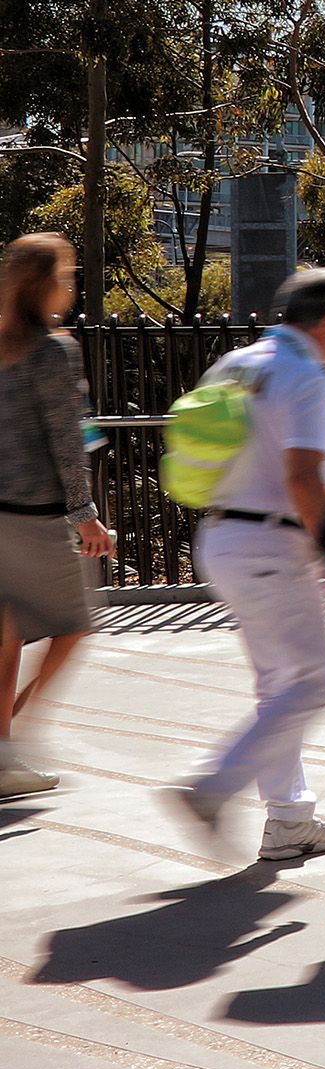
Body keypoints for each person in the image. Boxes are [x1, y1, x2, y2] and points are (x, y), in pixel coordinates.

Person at [170, 268, 325, 865]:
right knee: (315, 683)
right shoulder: (304, 374)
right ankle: (213, 788)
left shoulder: (236, 363)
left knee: (277, 687)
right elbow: (304, 476)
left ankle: (288, 819)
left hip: (224, 538)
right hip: (272, 547)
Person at [0, 233, 111, 800]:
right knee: (74, 625)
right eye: (66, 276)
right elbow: (68, 443)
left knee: (9, 632)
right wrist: (85, 516)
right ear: (46, 285)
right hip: (42, 518)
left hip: (0, 517)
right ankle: (10, 743)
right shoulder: (53, 350)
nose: (70, 287)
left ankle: (2, 751)